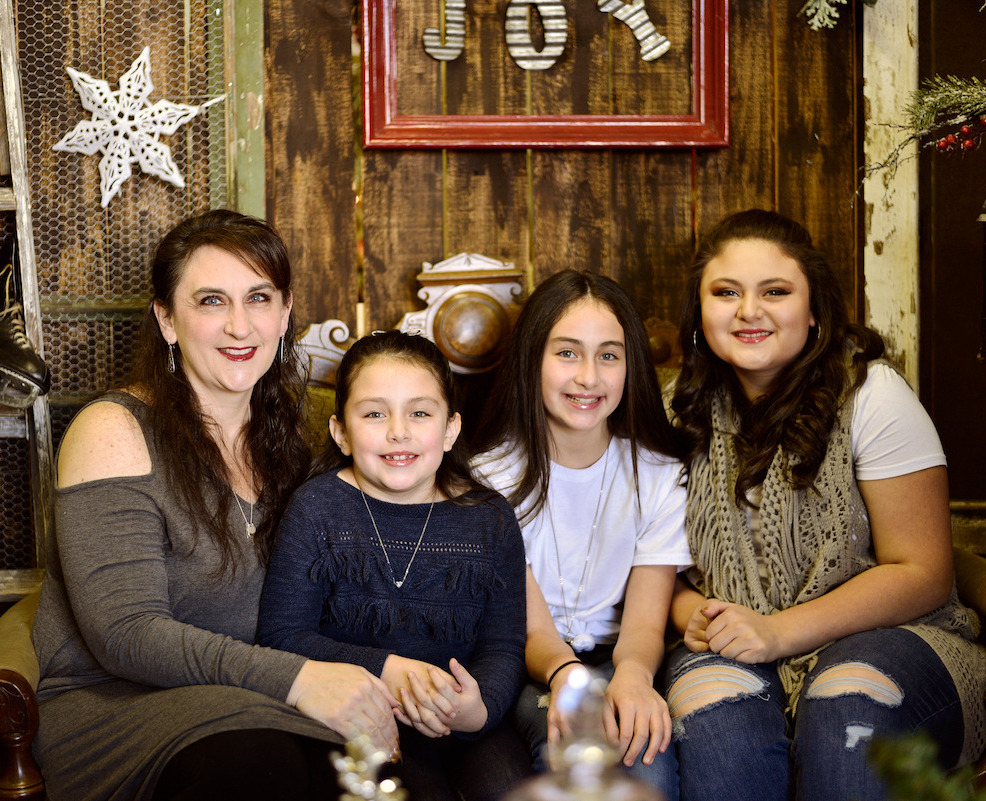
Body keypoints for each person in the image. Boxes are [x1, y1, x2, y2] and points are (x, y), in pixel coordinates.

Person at [31, 210, 402, 801]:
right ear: (167, 320)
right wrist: (301, 679)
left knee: (375, 766)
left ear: (283, 315)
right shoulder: (114, 432)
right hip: (118, 707)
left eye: (258, 298)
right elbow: (125, 634)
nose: (239, 326)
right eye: (210, 301)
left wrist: (393, 672)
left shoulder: (301, 438)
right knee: (259, 764)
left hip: (254, 698)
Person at [665, 209, 986, 801]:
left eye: (776, 292)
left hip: (896, 636)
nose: (748, 311)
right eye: (726, 292)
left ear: (813, 311)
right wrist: (689, 609)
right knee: (716, 719)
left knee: (846, 704)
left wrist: (779, 631)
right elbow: (648, 563)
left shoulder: (872, 396)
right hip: (731, 643)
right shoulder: (673, 412)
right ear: (699, 312)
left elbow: (923, 573)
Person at [256, 329, 531, 801]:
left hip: (461, 717)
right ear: (341, 431)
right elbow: (282, 635)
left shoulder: (489, 518)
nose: (398, 431)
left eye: (419, 413)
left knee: (508, 787)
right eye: (375, 414)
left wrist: (477, 709)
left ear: (450, 429)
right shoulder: (317, 509)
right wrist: (386, 670)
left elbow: (503, 646)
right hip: (358, 715)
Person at [471, 270, 691, 800]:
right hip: (535, 664)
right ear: (533, 360)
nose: (589, 377)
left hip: (622, 656)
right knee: (579, 745)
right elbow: (532, 629)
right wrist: (565, 674)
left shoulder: (659, 473)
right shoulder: (486, 477)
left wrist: (635, 676)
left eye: (609, 355)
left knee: (647, 758)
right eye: (567, 353)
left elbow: (646, 618)